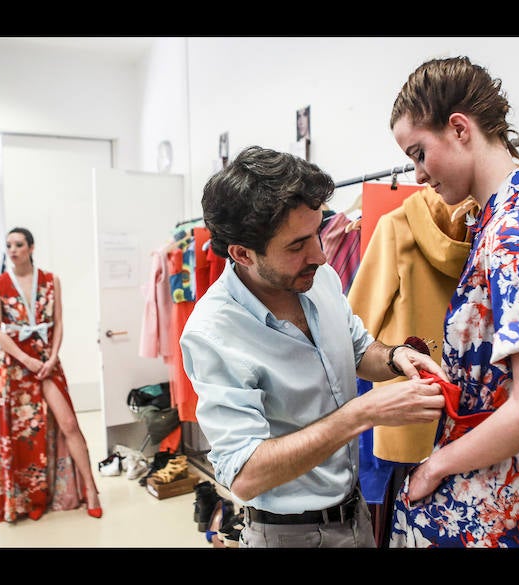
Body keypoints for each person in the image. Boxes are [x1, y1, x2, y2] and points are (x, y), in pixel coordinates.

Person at [179, 145, 449, 548]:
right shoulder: (214, 333)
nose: (320, 255)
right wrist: (364, 413)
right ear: (241, 253)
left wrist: (393, 357)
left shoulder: (316, 278)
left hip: (354, 515)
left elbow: (358, 350)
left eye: (319, 232)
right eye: (297, 245)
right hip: (287, 534)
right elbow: (245, 474)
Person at [386, 55, 519, 547]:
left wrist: (436, 466)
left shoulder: (514, 228)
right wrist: (494, 389)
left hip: (498, 498)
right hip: (505, 469)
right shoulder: (512, 212)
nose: (416, 175)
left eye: (418, 153)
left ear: (458, 128)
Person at [0, 227, 102, 522]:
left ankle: (91, 489)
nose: (12, 249)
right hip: (14, 365)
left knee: (68, 423)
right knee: (22, 434)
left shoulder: (51, 281)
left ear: (31, 247)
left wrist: (51, 357)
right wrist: (25, 358)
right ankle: (29, 500)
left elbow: (59, 322)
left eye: (18, 244)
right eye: (9, 245)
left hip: (46, 361)